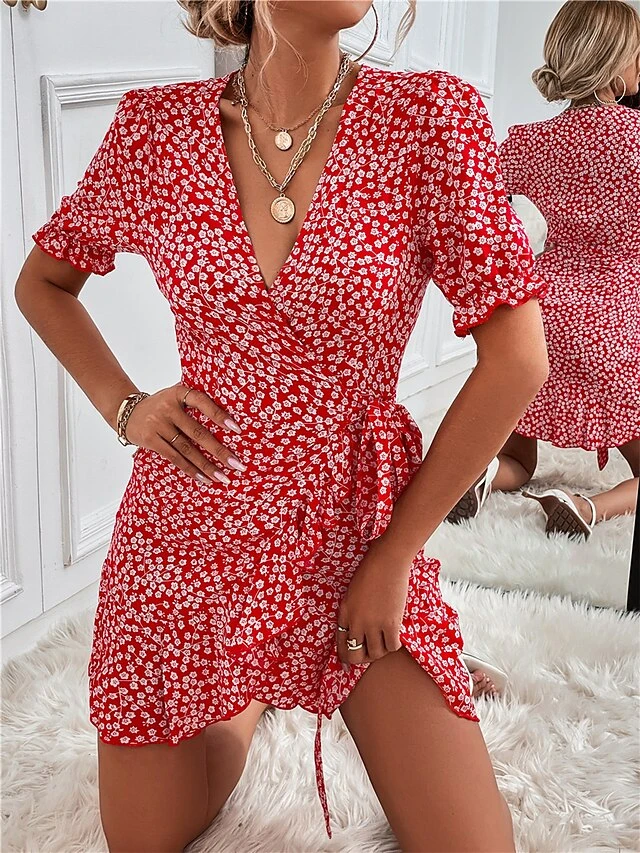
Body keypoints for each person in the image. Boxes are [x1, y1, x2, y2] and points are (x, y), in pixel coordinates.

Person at [15, 1, 549, 849]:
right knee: (144, 837)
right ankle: (256, 680)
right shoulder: (156, 131)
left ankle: (291, 661)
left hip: (356, 528)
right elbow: (42, 283)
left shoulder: (428, 119)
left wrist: (395, 556)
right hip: (191, 526)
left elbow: (518, 360)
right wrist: (128, 404)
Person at [448, 0, 640, 541]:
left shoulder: (530, 140)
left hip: (540, 315)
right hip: (619, 318)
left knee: (517, 455)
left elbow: (482, 213)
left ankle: (485, 472)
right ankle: (588, 506)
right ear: (615, 62)